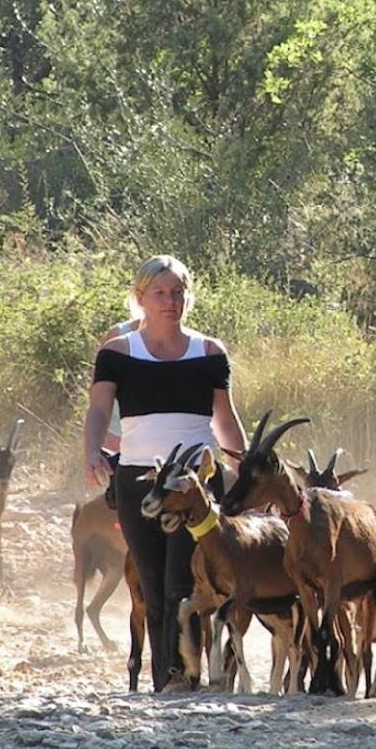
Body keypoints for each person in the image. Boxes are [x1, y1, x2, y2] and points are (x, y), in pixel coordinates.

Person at [82, 254, 246, 691]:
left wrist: (243, 468)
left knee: (181, 577)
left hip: (193, 483)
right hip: (139, 481)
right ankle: (163, 678)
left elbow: (225, 420)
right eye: (160, 293)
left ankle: (181, 675)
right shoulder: (117, 353)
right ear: (141, 298)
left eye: (178, 292)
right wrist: (92, 452)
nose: (170, 301)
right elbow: (99, 410)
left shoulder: (210, 353)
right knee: (151, 582)